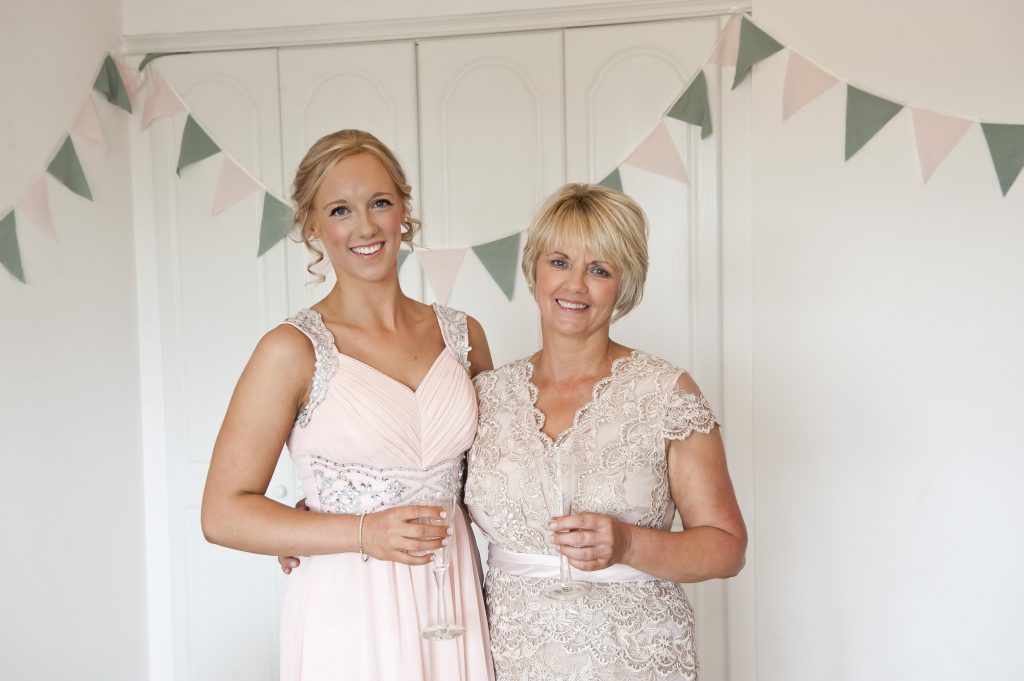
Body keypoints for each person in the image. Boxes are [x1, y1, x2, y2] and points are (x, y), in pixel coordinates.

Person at [201, 129, 495, 681]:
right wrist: (355, 531)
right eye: (340, 209)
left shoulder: (464, 336)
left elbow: (491, 481)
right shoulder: (291, 350)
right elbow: (221, 514)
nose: (365, 227)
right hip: (349, 605)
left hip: (451, 596)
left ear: (403, 208)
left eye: (379, 202)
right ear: (312, 226)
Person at [464, 183, 747, 681]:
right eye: (559, 262)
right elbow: (433, 499)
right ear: (533, 270)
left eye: (599, 270)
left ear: (624, 286)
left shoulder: (665, 393)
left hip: (634, 657)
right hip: (510, 657)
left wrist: (628, 544)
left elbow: (727, 548)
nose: (575, 285)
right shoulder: (486, 395)